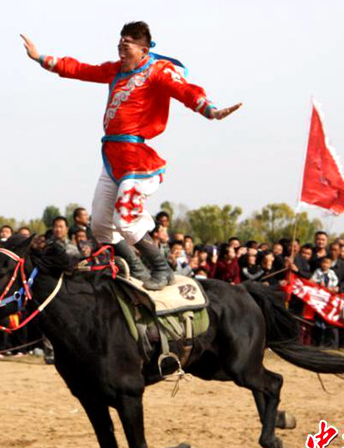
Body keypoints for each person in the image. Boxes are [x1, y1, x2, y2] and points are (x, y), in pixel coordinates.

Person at [22, 21, 241, 290]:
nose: (121, 50)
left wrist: (211, 110)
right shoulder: (115, 70)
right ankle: (137, 270)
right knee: (101, 224)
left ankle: (162, 268)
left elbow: (185, 90)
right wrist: (41, 58)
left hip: (137, 159)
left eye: (127, 45)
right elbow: (81, 69)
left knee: (124, 217)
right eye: (119, 45)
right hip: (112, 157)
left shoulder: (159, 71)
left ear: (144, 49)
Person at [310, 256, 339, 348]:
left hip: (328, 298)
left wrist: (332, 287)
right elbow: (312, 280)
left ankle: (328, 342)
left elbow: (335, 281)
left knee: (328, 320)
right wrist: (319, 283)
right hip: (319, 297)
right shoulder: (318, 272)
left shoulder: (331, 273)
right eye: (324, 263)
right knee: (318, 320)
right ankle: (318, 341)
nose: (325, 265)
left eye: (327, 263)